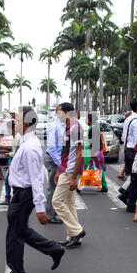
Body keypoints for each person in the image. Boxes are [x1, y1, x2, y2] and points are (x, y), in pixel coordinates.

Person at [0, 106, 65, 273]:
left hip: (24, 195)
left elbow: (36, 179)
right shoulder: (26, 143)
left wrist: (41, 208)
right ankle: (54, 249)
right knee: (20, 231)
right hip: (20, 193)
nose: (15, 123)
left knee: (14, 235)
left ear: (26, 123)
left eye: (17, 120)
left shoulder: (31, 148)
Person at [52, 102, 86, 249]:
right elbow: (65, 153)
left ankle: (77, 231)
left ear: (67, 112)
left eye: (59, 112)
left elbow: (80, 153)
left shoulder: (75, 128)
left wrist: (73, 177)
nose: (57, 115)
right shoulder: (67, 127)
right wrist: (59, 170)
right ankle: (73, 236)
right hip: (66, 169)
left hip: (71, 171)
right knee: (68, 203)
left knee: (56, 202)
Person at [118, 98, 137, 214]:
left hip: (128, 149)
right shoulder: (136, 121)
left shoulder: (129, 118)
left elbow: (124, 135)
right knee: (136, 181)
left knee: (135, 179)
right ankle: (130, 203)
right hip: (134, 151)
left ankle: (125, 196)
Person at [44, 105, 65, 224]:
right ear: (58, 114)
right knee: (52, 187)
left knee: (57, 187)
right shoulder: (54, 127)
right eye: (63, 113)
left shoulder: (61, 126)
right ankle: (50, 215)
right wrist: (60, 163)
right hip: (53, 160)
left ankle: (53, 211)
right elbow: (52, 149)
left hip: (57, 159)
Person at [0, 119, 21, 206]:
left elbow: (18, 151)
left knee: (9, 180)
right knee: (8, 180)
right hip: (13, 162)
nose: (8, 130)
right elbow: (14, 148)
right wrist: (6, 148)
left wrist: (9, 154)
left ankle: (10, 199)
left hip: (15, 162)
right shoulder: (15, 136)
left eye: (8, 128)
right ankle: (9, 199)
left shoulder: (18, 136)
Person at [83, 113, 108, 192]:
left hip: (91, 152)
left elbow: (93, 143)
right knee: (98, 168)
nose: (85, 120)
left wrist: (91, 156)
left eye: (86, 119)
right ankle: (104, 186)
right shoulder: (95, 127)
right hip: (96, 151)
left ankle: (79, 185)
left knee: (84, 168)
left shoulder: (92, 129)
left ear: (90, 120)